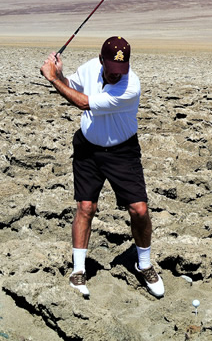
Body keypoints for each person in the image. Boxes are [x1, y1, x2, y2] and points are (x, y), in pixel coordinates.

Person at [40, 36, 164, 298]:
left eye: (122, 69)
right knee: (86, 207)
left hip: (122, 151)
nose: (117, 75)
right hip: (88, 147)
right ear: (101, 61)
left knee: (139, 210)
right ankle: (78, 271)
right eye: (112, 70)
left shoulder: (130, 87)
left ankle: (144, 264)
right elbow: (72, 86)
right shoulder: (89, 68)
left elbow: (83, 102)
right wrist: (60, 73)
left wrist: (52, 78)